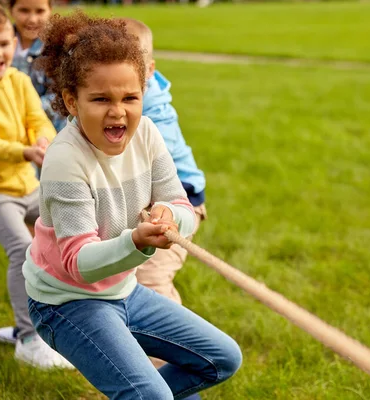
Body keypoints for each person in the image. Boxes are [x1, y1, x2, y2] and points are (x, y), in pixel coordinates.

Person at [23, 11, 242, 399]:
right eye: (100, 99)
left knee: (223, 358)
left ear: (145, 91)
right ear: (71, 101)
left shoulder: (148, 134)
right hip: (66, 302)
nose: (118, 111)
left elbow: (182, 207)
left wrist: (169, 215)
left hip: (124, 291)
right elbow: (80, 263)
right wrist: (136, 242)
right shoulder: (65, 160)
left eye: (130, 97)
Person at [0, 2, 71, 369]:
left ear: (14, 43)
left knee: (64, 239)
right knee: (22, 249)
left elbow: (37, 120)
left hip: (28, 185)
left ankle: (46, 327)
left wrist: (43, 141)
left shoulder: (20, 80)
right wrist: (27, 152)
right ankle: (28, 340)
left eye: (3, 43)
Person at [121, 17, 207, 308]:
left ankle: (175, 353)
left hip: (177, 202)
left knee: (151, 280)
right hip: (143, 201)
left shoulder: (154, 114)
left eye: (133, 70)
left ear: (150, 70)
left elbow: (149, 166)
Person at [8, 0, 65, 133]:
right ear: (11, 10)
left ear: (50, 10)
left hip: (47, 130)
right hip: (6, 128)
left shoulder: (56, 49)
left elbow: (58, 97)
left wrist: (24, 111)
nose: (32, 19)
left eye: (39, 11)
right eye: (24, 10)